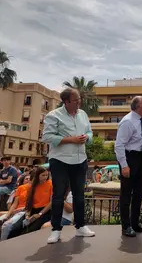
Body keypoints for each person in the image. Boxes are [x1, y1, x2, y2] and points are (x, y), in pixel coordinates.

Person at [42, 88, 95, 244]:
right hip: (60, 161)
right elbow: (46, 136)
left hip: (80, 160)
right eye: (76, 100)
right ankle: (56, 230)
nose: (79, 102)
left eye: (79, 99)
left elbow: (90, 132)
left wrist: (87, 137)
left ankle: (80, 227)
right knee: (58, 195)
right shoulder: (53, 115)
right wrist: (70, 140)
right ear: (66, 101)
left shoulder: (83, 114)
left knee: (79, 194)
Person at [114, 96, 142, 237]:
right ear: (137, 106)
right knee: (126, 193)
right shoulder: (127, 122)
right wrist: (124, 165)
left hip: (139, 157)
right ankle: (126, 226)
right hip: (129, 158)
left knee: (138, 192)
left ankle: (135, 223)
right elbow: (119, 145)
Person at [8, 167, 52, 239]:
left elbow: (51, 202)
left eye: (46, 175)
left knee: (28, 231)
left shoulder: (50, 184)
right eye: (43, 175)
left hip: (45, 212)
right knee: (15, 229)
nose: (45, 177)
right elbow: (29, 202)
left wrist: (39, 214)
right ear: (37, 176)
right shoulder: (31, 186)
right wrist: (27, 215)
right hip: (32, 210)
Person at [0, 173, 32, 240]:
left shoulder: (34, 189)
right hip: (14, 211)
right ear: (22, 181)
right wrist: (8, 215)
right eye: (26, 179)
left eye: (30, 179)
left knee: (6, 225)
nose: (28, 180)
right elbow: (12, 204)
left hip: (23, 212)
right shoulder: (18, 189)